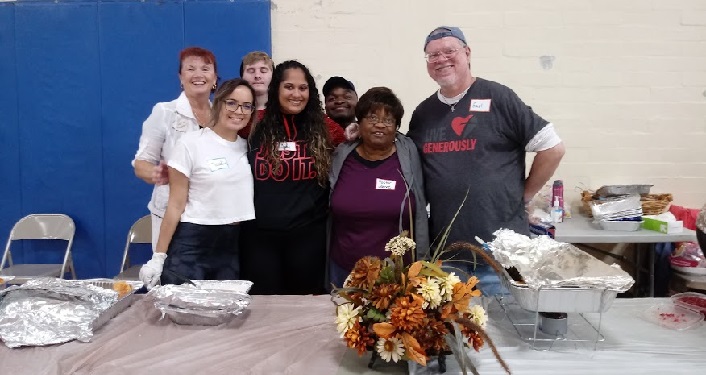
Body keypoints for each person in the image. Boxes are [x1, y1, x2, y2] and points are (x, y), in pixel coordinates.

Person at [406, 26, 566, 295]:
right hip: (446, 257)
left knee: (502, 332)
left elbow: (552, 147)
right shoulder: (423, 113)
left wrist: (523, 196)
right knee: (451, 334)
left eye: (449, 51)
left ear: (467, 53)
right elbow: (405, 155)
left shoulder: (498, 97)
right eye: (432, 55)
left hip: (499, 257)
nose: (441, 59)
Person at [139, 79, 257, 289]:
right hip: (192, 243)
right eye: (232, 103)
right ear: (219, 103)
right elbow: (175, 205)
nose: (239, 111)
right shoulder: (191, 144)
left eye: (246, 105)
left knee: (224, 316)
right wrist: (158, 257)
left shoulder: (247, 148)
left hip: (230, 247)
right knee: (183, 315)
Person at [241, 60, 346, 295]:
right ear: (276, 88)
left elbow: (354, 151)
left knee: (304, 309)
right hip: (259, 239)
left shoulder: (327, 128)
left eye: (303, 87)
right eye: (289, 87)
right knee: (263, 310)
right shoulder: (252, 124)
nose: (296, 94)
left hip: (308, 238)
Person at [328, 87, 428, 288]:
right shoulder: (341, 156)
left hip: (396, 274)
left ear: (396, 126)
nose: (380, 125)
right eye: (372, 118)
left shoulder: (410, 155)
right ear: (359, 122)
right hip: (344, 271)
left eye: (389, 120)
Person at [133, 47, 218, 250]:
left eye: (205, 69)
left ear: (215, 78)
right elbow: (141, 163)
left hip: (212, 214)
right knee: (172, 278)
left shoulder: (222, 114)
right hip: (171, 214)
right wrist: (155, 173)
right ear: (181, 77)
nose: (198, 74)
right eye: (191, 69)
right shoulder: (164, 112)